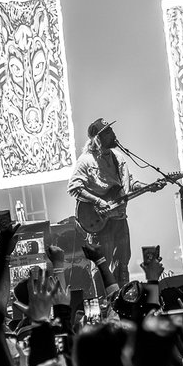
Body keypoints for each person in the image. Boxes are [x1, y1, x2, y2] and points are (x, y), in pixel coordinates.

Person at [68, 118, 137, 285]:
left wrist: (151, 186)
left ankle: (123, 300)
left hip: (120, 218)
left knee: (123, 262)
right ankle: (105, 304)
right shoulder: (86, 161)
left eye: (111, 130)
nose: (113, 134)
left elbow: (130, 183)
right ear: (98, 139)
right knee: (102, 266)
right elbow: (74, 188)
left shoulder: (118, 158)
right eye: (107, 132)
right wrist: (98, 201)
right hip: (99, 222)